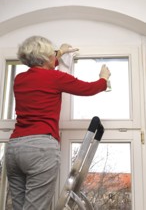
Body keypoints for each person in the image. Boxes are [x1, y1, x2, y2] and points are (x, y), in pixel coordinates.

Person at [5, 36, 111, 210]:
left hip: (14, 148)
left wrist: (60, 52)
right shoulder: (54, 78)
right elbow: (88, 88)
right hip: (39, 149)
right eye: (52, 54)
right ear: (46, 57)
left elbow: (40, 71)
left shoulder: (20, 79)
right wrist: (104, 79)